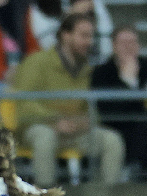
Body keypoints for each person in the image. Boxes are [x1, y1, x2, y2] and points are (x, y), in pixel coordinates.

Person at [10, 13, 125, 186]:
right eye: (84, 35)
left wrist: (88, 121)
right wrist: (54, 120)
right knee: (45, 137)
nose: (90, 42)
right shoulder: (36, 62)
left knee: (112, 140)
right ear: (65, 35)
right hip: (38, 127)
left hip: (75, 131)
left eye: (91, 36)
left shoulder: (87, 69)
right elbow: (23, 102)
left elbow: (93, 106)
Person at [91, 25, 147, 180]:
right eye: (123, 43)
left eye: (132, 42)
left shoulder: (145, 66)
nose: (128, 47)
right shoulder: (102, 72)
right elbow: (106, 109)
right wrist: (127, 83)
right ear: (114, 46)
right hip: (114, 123)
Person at [29, 0, 112, 65]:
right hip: (55, 65)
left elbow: (106, 38)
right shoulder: (38, 8)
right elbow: (46, 43)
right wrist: (71, 15)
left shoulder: (95, 3)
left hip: (91, 62)